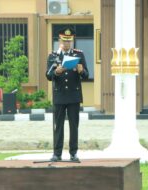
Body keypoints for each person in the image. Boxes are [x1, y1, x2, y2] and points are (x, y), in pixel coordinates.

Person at [46, 27, 89, 162]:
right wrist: (56, 72)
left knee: (73, 126)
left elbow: (86, 75)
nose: (67, 43)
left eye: (69, 41)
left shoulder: (78, 55)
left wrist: (81, 71)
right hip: (59, 96)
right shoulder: (53, 55)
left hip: (73, 96)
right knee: (58, 126)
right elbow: (48, 75)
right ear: (59, 40)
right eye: (64, 41)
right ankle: (57, 153)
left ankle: (73, 153)